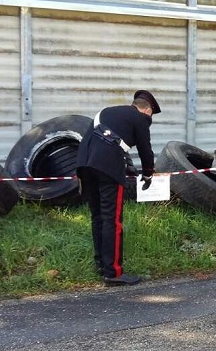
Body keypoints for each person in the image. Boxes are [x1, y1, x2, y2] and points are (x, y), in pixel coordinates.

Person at [77, 90, 160, 286]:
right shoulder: (140, 118)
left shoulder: (107, 112)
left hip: (84, 164)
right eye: (151, 115)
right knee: (112, 219)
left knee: (97, 216)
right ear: (147, 110)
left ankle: (101, 265)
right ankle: (113, 272)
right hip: (107, 167)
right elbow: (145, 150)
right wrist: (148, 173)